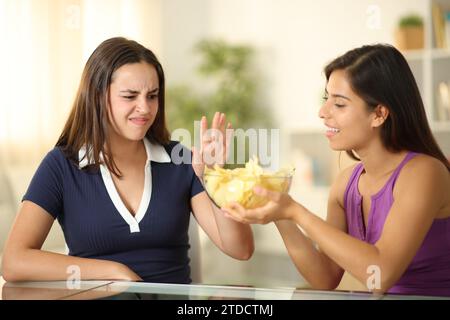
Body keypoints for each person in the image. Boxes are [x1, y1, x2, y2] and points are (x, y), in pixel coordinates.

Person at [1, 37, 254, 284]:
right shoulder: (61, 165)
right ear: (98, 96)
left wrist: (216, 177)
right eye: (130, 96)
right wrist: (113, 270)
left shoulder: (181, 160)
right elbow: (14, 262)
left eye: (152, 96)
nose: (145, 108)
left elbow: (240, 250)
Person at [223, 44, 450, 296]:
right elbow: (325, 276)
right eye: (326, 99)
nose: (323, 112)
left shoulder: (425, 173)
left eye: (339, 104)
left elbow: (380, 274)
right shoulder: (346, 184)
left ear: (379, 114)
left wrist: (296, 211)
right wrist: (281, 214)